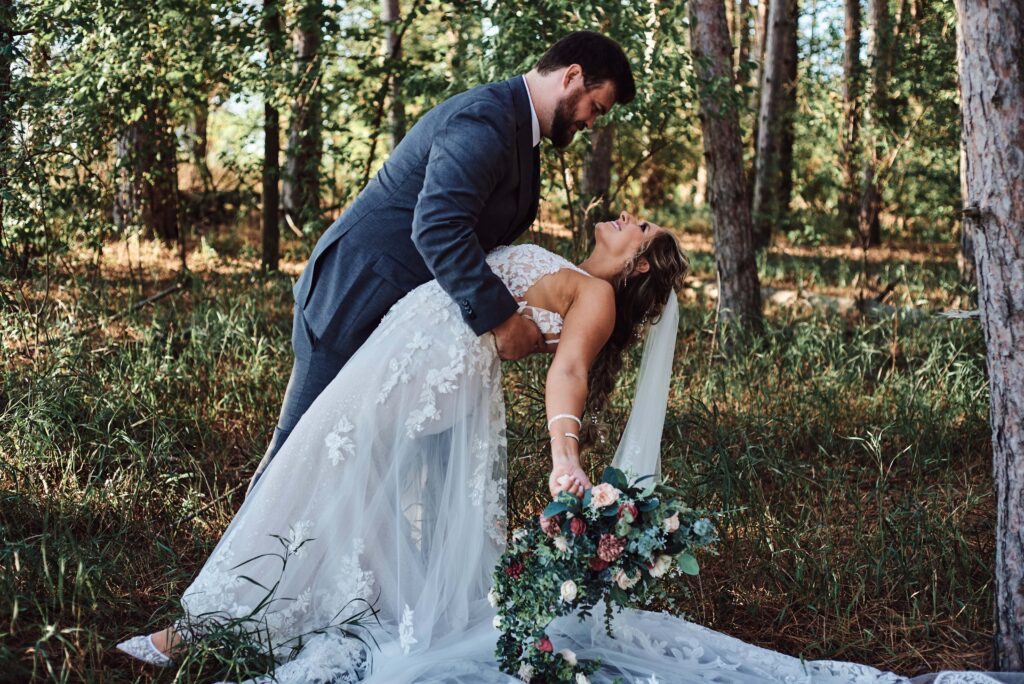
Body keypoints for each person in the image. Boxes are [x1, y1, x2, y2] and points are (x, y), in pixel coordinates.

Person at [117, 213, 1001, 684]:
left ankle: (194, 634)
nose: (628, 217)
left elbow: (568, 374)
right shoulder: (577, 276)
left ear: (636, 265)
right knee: (338, 491)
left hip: (410, 374)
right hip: (404, 360)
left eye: (640, 229)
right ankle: (273, 619)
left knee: (314, 481)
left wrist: (564, 455)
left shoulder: (597, 298)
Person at [248, 31, 636, 492]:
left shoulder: (520, 134)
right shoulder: (488, 118)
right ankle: (250, 544)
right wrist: (502, 321)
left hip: (405, 327)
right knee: (293, 465)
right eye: (597, 107)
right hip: (351, 300)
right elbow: (437, 226)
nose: (591, 122)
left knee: (363, 480)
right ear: (572, 77)